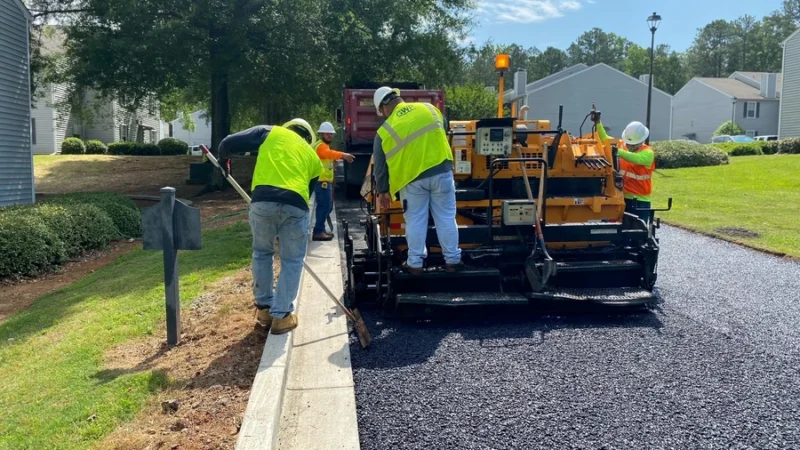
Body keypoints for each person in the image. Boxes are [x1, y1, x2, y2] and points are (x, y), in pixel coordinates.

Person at [218, 118, 323, 334]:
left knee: (262, 253)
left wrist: (224, 159)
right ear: (309, 139)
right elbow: (307, 194)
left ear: (288, 127)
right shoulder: (314, 158)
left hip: (263, 201)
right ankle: (282, 317)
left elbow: (228, 143)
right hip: (296, 206)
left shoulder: (271, 132)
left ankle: (264, 309)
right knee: (292, 260)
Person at [371, 86, 463, 274]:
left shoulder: (384, 130)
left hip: (412, 180)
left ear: (385, 107)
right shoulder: (428, 108)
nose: (384, 116)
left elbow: (380, 166)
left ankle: (415, 263)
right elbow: (443, 129)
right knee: (446, 218)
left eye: (382, 112)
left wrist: (383, 191)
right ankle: (452, 260)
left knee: (415, 220)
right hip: (442, 172)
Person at [592, 115, 656, 225]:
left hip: (640, 201)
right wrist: (598, 122)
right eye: (628, 143)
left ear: (641, 141)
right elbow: (605, 139)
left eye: (633, 144)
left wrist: (617, 151)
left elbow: (636, 158)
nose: (629, 146)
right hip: (621, 198)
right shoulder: (622, 145)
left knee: (638, 232)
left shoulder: (648, 153)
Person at [312, 121, 355, 241]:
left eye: (331, 134)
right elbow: (328, 154)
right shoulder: (321, 146)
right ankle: (318, 231)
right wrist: (343, 155)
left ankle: (320, 229)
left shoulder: (322, 145)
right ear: (321, 134)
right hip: (322, 182)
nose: (330, 136)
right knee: (324, 206)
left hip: (324, 182)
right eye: (327, 134)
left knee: (327, 206)